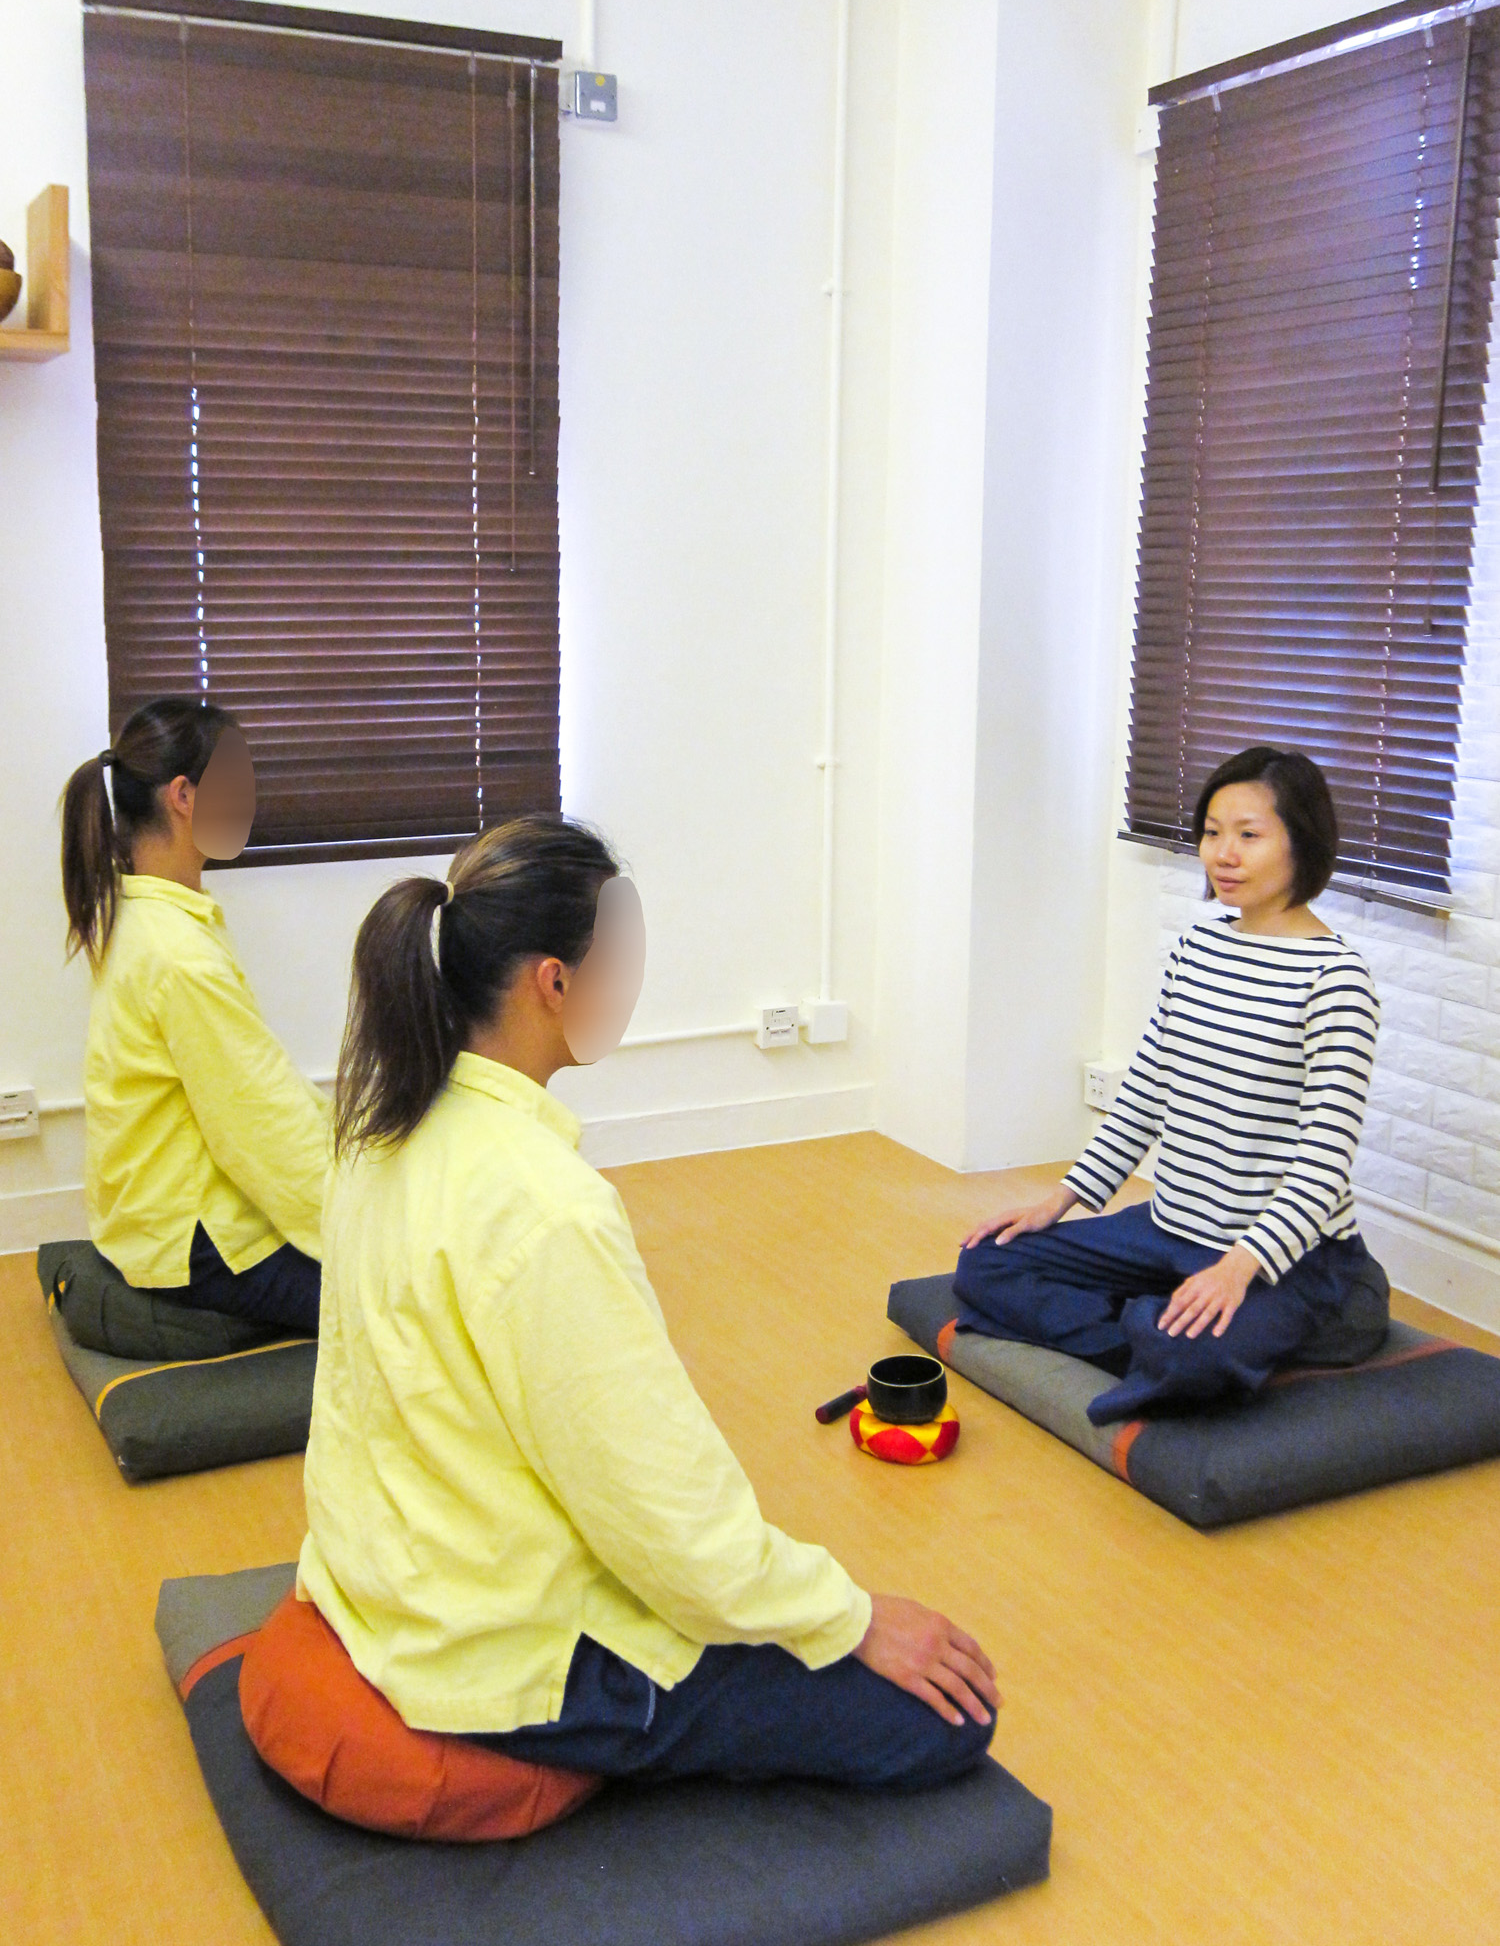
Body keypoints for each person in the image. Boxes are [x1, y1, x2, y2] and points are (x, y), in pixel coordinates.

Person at [297, 813, 998, 1789]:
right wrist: (853, 1614)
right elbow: (670, 1527)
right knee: (947, 1719)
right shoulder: (549, 1208)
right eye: (618, 953)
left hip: (380, 1581)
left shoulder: (378, 1131)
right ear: (553, 979)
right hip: (509, 1657)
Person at [956, 746, 1389, 1425]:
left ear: (1301, 842)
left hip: (1287, 1259)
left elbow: (1323, 1163)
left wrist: (1238, 1268)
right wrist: (1060, 1201)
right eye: (1213, 832)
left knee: (1190, 1358)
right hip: (1171, 1228)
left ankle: (1189, 1336)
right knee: (987, 1263)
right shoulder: (1198, 948)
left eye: (1249, 835)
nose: (1224, 853)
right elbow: (1145, 1094)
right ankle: (1155, 1332)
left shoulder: (1334, 981)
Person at [60, 698, 327, 1332]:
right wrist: (367, 1228)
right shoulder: (177, 954)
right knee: (410, 1299)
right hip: (195, 1244)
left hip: (149, 1213)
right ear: (185, 795)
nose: (252, 800)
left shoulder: (147, 914)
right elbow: (260, 1128)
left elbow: (257, 1088)